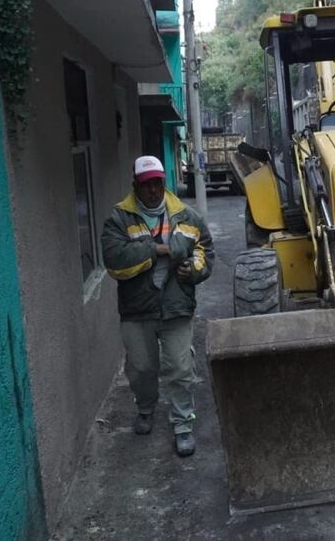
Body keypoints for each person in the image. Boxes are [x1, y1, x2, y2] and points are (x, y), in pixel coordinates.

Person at [101, 155, 214, 456]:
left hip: (176, 306)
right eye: (146, 184)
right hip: (137, 309)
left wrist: (194, 269)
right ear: (135, 185)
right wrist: (158, 250)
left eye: (157, 183)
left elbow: (205, 250)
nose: (153, 190)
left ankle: (183, 424)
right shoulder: (119, 218)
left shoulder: (186, 216)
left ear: (164, 182)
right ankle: (146, 407)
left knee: (180, 367)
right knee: (141, 369)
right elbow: (115, 260)